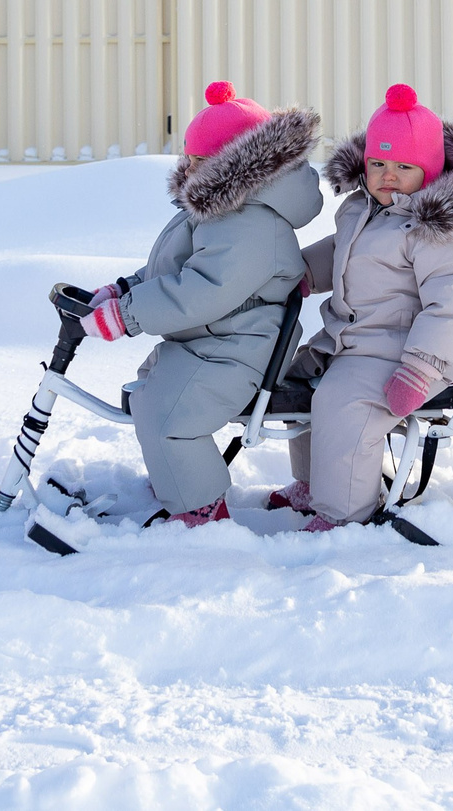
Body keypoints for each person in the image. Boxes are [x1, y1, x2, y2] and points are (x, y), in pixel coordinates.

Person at [79, 82, 318, 527]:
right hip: (213, 340)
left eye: (202, 161)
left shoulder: (251, 222)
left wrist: (128, 316)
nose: (191, 168)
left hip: (240, 348)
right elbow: (175, 267)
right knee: (150, 391)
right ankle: (176, 477)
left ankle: (200, 507)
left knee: (171, 416)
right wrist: (122, 291)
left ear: (240, 163)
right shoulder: (221, 207)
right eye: (189, 158)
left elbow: (203, 288)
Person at [269, 85, 453, 529]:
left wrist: (419, 369)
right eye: (377, 163)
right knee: (300, 381)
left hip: (405, 356)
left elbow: (452, 306)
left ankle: (344, 514)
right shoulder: (363, 209)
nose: (386, 175)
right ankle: (315, 483)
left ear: (430, 170)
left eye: (402, 166)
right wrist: (299, 273)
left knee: (345, 405)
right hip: (351, 341)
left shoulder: (441, 228)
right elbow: (342, 251)